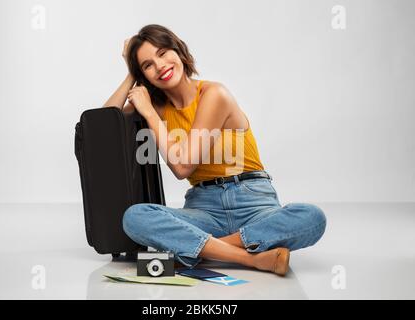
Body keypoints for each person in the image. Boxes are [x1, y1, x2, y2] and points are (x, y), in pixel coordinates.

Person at [103, 24, 326, 276]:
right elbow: (103, 126)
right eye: (147, 65)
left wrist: (148, 112)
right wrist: (130, 73)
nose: (160, 65)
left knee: (312, 217)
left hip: (252, 202)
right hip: (205, 209)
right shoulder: (154, 106)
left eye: (163, 53)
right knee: (135, 217)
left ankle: (202, 250)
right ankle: (251, 258)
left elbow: (183, 166)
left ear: (179, 51)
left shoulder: (213, 94)